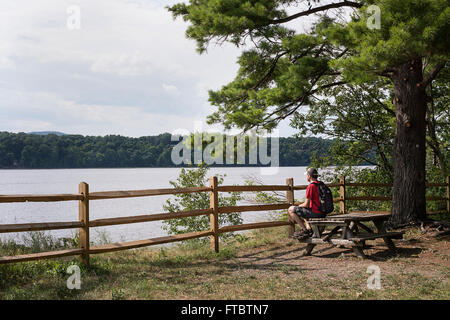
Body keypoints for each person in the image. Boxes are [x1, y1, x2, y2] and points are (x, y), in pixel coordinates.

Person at [288, 168, 326, 239]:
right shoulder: (321, 184)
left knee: (291, 209)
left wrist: (299, 206)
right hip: (323, 212)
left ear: (309, 176)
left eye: (307, 175)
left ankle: (304, 229)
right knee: (304, 210)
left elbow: (306, 204)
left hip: (316, 213)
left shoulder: (311, 186)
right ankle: (309, 228)